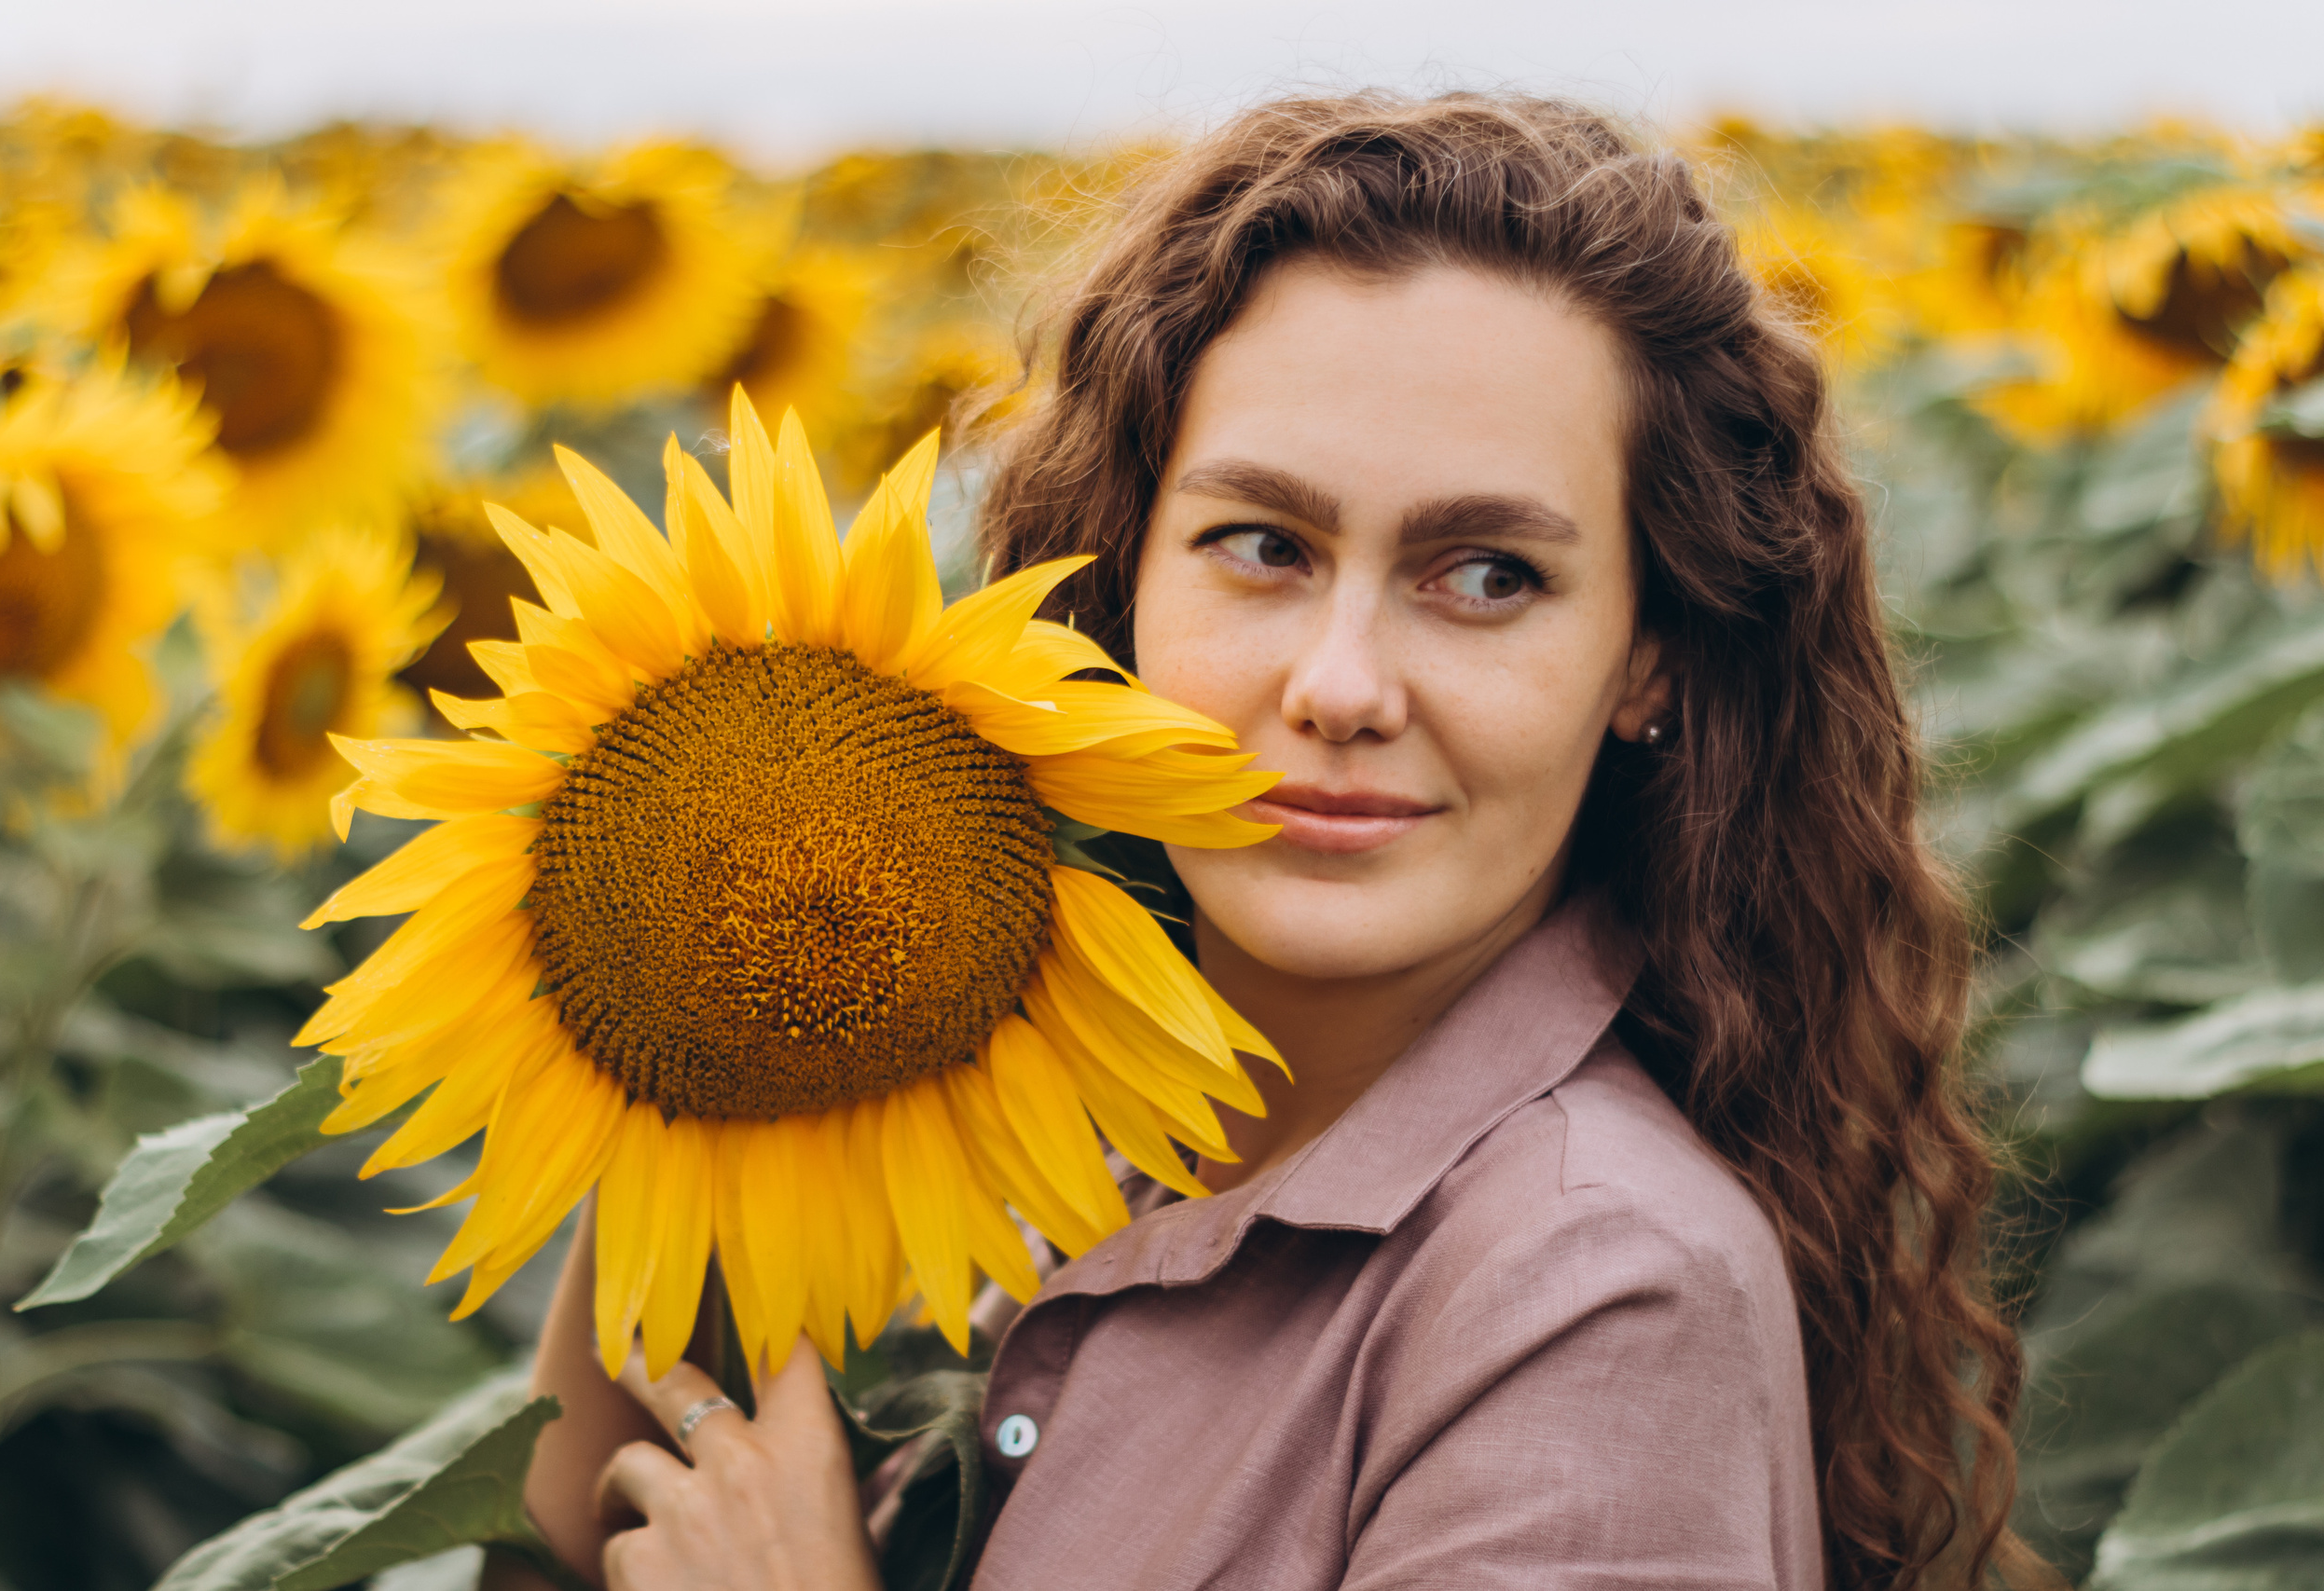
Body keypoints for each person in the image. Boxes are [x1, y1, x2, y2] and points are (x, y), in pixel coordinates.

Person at [488, 90, 2037, 1591]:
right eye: (1262, 547)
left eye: (1486, 574)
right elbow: (588, 1509)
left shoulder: (1590, 1286)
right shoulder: (1070, 1095)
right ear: (1125, 583)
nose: (1342, 685)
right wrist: (689, 951)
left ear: (1651, 655)